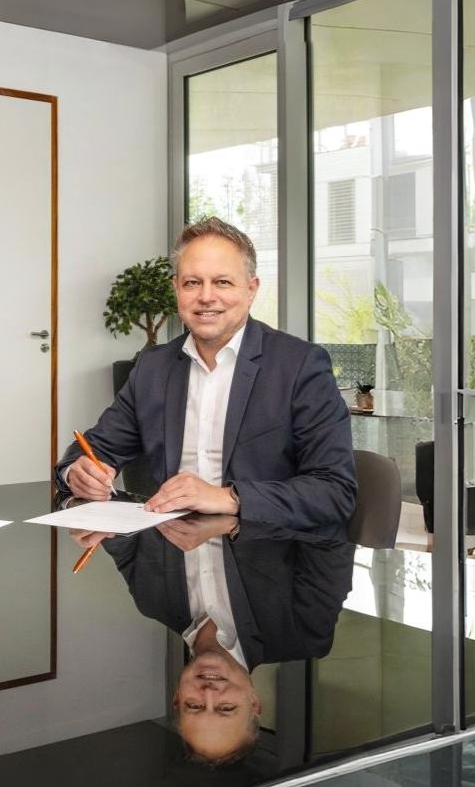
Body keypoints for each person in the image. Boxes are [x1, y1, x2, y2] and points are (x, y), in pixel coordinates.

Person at [58, 216, 357, 762]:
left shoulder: (298, 366)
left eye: (222, 282)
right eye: (193, 282)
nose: (206, 297)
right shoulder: (153, 368)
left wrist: (231, 497)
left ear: (252, 288)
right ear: (177, 289)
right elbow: (89, 450)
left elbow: (335, 492)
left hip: (265, 534)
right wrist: (80, 472)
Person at [98, 512, 355, 764]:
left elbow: (113, 519)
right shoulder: (304, 632)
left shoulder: (152, 601)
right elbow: (331, 527)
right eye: (226, 708)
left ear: (177, 697)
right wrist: (234, 524)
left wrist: (90, 506)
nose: (209, 694)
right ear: (254, 702)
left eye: (194, 705)